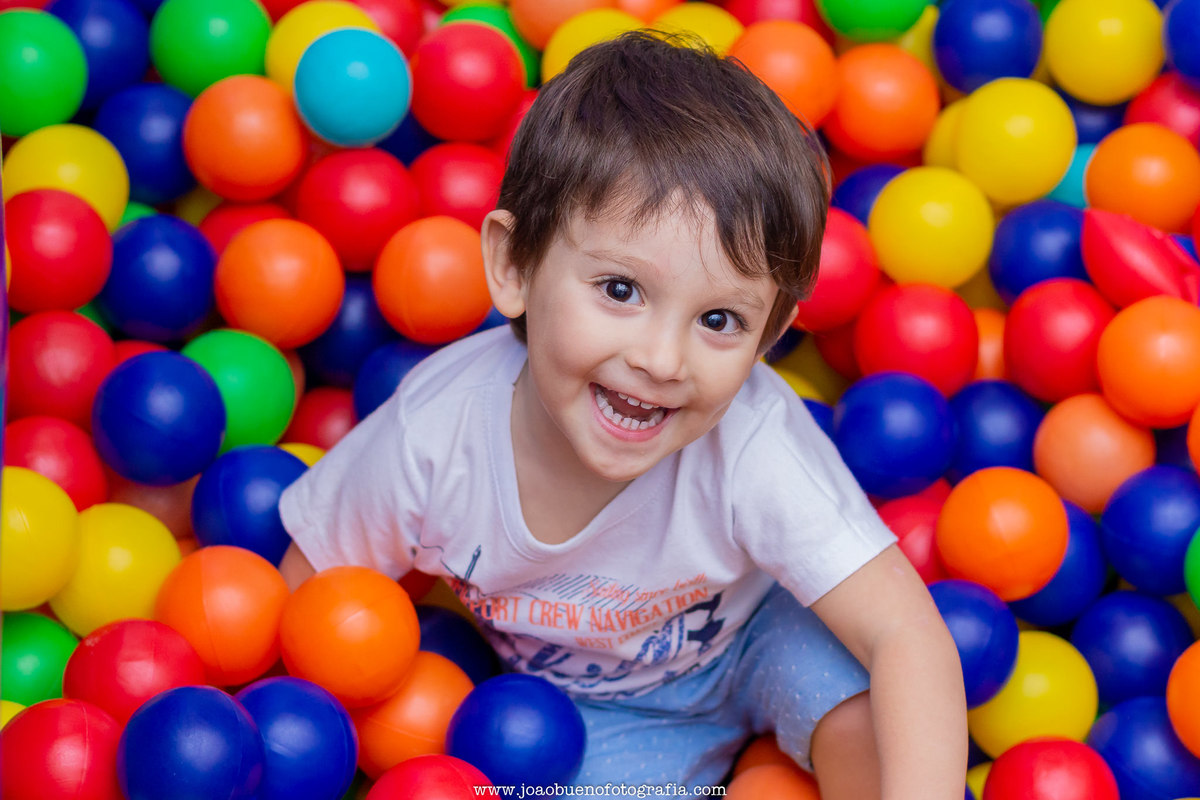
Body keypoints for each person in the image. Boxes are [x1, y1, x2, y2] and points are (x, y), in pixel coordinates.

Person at [278, 30, 967, 797]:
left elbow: (908, 634)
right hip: (593, 711)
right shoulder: (434, 442)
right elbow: (315, 594)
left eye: (719, 321)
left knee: (872, 719)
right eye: (620, 290)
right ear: (514, 266)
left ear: (768, 341)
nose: (662, 360)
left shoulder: (755, 444)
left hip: (764, 638)